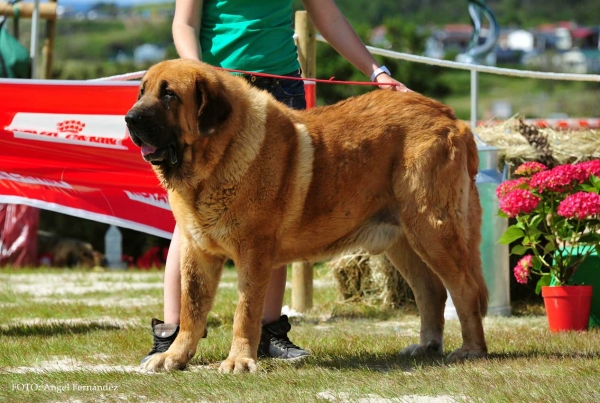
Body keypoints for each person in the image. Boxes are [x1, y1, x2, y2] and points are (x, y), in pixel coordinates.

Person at [141, 0, 409, 365]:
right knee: (191, 218)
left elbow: (328, 16)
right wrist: (199, 76)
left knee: (273, 215)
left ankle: (269, 333)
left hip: (280, 87)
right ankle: (174, 334)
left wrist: (376, 71)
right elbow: (184, 24)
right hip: (214, 94)